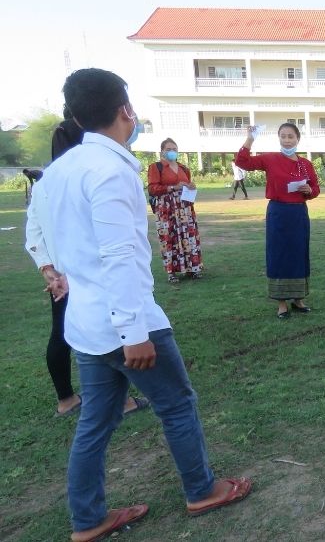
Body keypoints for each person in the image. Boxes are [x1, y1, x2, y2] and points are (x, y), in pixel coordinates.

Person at [29, 68, 251, 542]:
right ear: (125, 110)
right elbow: (119, 256)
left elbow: (44, 238)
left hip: (85, 324)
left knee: (95, 421)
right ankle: (202, 489)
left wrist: (55, 272)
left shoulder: (58, 172)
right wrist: (134, 332)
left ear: (75, 116)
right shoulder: (110, 170)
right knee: (177, 404)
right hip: (123, 322)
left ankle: (88, 518)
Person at [24, 111, 148, 419]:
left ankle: (68, 399)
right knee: (113, 337)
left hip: (63, 277)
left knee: (67, 335)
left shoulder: (46, 182)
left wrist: (48, 269)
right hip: (93, 277)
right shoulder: (95, 174)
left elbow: (34, 232)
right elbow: (111, 244)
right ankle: (118, 400)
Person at [236, 123, 320, 318]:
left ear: (298, 139)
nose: (287, 140)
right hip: (278, 213)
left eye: (291, 136)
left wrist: (309, 190)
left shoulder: (305, 164)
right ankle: (281, 302)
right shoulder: (270, 159)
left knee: (299, 253)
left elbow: (315, 188)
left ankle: (298, 299)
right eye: (283, 136)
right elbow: (242, 162)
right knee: (279, 254)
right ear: (279, 138)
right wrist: (250, 138)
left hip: (298, 214)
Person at [148, 139, 203, 284]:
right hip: (167, 209)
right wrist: (173, 187)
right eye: (168, 149)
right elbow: (152, 188)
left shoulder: (184, 168)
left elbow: (187, 184)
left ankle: (192, 268)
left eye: (174, 149)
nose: (172, 151)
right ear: (162, 151)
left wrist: (191, 186)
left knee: (188, 236)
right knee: (169, 238)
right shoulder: (156, 167)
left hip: (184, 208)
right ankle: (171, 272)